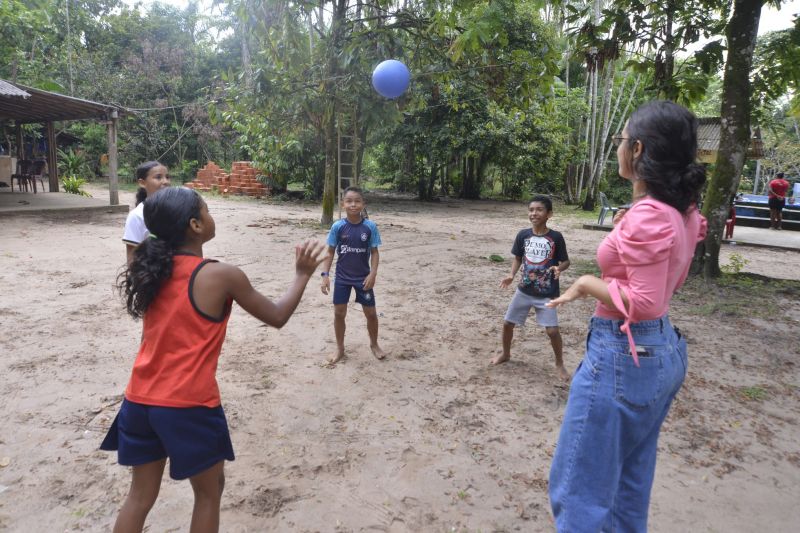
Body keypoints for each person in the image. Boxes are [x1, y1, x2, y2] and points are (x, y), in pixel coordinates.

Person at [101, 187, 326, 533]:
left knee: (140, 497)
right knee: (208, 493)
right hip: (188, 404)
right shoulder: (221, 275)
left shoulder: (152, 270)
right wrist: (302, 274)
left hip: (138, 400)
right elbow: (278, 316)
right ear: (195, 225)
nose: (210, 215)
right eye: (206, 210)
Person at [546, 100, 707, 532]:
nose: (617, 147)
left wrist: (586, 283)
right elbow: (669, 280)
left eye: (621, 140)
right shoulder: (682, 212)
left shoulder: (651, 215)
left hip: (624, 354)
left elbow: (644, 301)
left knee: (578, 494)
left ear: (637, 150)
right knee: (627, 489)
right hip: (662, 350)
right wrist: (628, 226)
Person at [493, 195, 571, 381]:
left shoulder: (556, 237)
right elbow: (518, 258)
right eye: (531, 210)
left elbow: (566, 261)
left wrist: (559, 268)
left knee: (552, 331)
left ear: (549, 214)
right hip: (524, 290)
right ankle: (506, 353)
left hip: (546, 292)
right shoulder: (523, 235)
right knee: (507, 324)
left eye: (539, 210)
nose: (534, 213)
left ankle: (559, 363)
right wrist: (511, 275)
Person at [320, 186, 386, 365]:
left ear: (363, 204)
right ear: (343, 204)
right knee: (339, 313)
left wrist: (373, 273)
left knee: (371, 313)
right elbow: (330, 252)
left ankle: (374, 344)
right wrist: (325, 275)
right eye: (349, 201)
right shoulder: (338, 226)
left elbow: (375, 252)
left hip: (363, 278)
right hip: (342, 278)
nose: (353, 205)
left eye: (357, 201)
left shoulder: (370, 227)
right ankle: (340, 348)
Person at [123, 161, 171, 263]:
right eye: (158, 177)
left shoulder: (175, 209)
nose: (166, 181)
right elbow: (132, 258)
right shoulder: (137, 215)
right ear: (142, 183)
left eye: (167, 177)